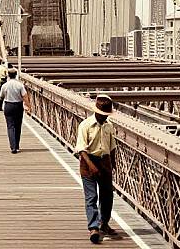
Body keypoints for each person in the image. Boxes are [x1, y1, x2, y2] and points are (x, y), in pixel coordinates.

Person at [75, 95, 117, 245]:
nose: (105, 117)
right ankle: (93, 227)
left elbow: (112, 147)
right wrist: (91, 165)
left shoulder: (109, 126)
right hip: (88, 162)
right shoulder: (85, 125)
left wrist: (113, 164)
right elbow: (81, 148)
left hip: (104, 162)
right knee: (91, 197)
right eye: (103, 114)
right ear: (97, 112)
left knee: (107, 196)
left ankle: (104, 223)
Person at [0, 69, 30, 154]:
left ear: (8, 75)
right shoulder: (20, 85)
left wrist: (0, 105)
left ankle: (13, 146)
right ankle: (17, 145)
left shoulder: (5, 85)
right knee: (18, 126)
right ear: (16, 75)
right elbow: (25, 96)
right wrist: (27, 106)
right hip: (18, 106)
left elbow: (1, 96)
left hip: (8, 105)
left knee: (10, 126)